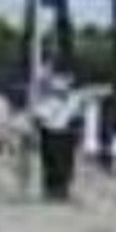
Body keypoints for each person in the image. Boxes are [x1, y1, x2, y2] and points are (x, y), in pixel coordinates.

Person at [33, 73, 84, 201]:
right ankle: (51, 191)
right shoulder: (48, 101)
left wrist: (77, 132)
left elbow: (78, 119)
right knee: (51, 165)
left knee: (65, 165)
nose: (62, 92)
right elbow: (38, 118)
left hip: (66, 135)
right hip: (51, 134)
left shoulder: (74, 100)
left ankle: (62, 191)